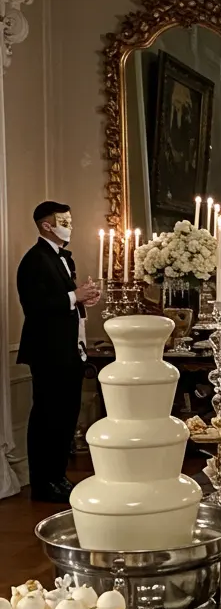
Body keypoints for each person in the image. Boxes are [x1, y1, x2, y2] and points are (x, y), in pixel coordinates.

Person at [17, 202, 101, 503]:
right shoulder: (35, 260)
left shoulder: (61, 258)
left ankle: (58, 476)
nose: (70, 225)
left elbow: (62, 302)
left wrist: (82, 299)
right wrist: (73, 295)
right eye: (63, 220)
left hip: (68, 350)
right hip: (48, 351)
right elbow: (36, 306)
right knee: (47, 417)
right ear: (46, 225)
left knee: (65, 416)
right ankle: (43, 483)